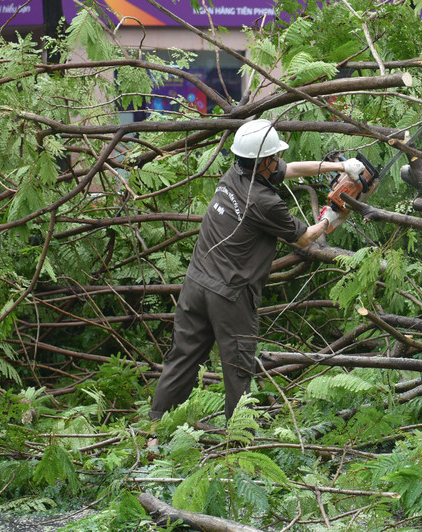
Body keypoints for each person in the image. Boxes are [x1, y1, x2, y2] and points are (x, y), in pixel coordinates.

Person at [149, 118, 364, 422]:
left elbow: (289, 169)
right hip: (230, 294)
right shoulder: (265, 202)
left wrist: (341, 168)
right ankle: (239, 443)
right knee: (237, 368)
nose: (278, 160)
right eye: (274, 156)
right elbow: (305, 239)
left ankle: (154, 434)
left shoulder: (235, 173)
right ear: (262, 161)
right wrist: (332, 216)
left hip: (195, 284)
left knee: (181, 359)